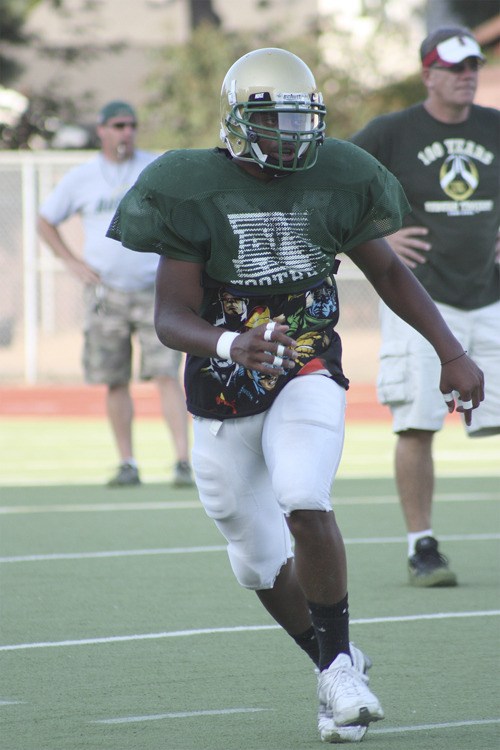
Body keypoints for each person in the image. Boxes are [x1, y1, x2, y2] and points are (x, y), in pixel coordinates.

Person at [107, 49, 484, 743]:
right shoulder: (190, 185)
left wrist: (450, 350)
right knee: (253, 557)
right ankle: (334, 663)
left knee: (305, 496)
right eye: (274, 118)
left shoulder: (338, 174)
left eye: (299, 118)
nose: (291, 133)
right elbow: (169, 316)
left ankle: (339, 665)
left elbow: (392, 276)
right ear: (239, 121)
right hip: (221, 389)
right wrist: (229, 343)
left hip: (308, 367)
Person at [350, 27, 500, 588]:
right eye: (455, 67)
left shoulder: (494, 126)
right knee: (417, 423)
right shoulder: (392, 131)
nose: (467, 75)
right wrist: (378, 238)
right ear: (428, 74)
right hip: (419, 302)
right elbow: (331, 184)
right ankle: (422, 547)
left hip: (491, 294)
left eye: (473, 66)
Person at [37, 100, 194, 488]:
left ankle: (182, 461)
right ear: (102, 130)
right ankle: (128, 462)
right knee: (114, 377)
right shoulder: (82, 177)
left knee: (166, 373)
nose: (127, 132)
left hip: (154, 290)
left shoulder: (153, 167)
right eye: (119, 125)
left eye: (132, 125)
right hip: (106, 293)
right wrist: (72, 263)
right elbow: (45, 220)